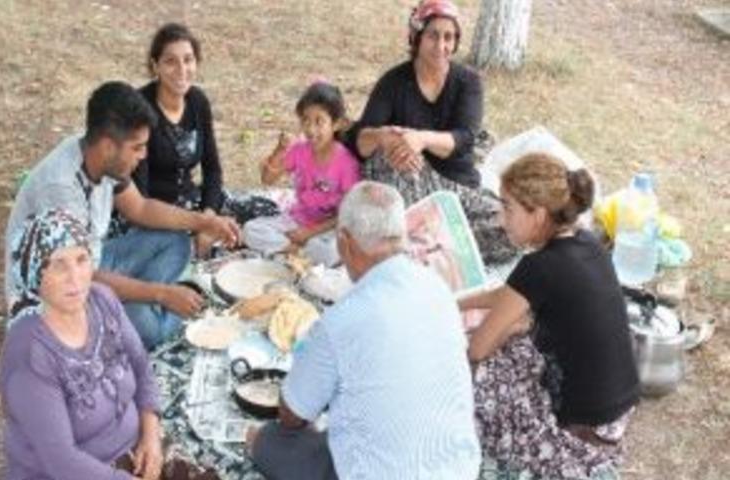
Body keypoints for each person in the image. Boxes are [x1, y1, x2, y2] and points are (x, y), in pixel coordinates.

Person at [248, 181, 480, 480]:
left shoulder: (341, 320)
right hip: (459, 469)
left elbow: (292, 415)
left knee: (267, 441)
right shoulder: (438, 288)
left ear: (344, 241)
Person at [4, 81, 240, 350]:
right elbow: (82, 279)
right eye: (137, 147)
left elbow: (139, 208)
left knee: (177, 242)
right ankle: (145, 310)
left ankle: (137, 303)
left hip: (92, 261)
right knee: (147, 330)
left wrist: (205, 221)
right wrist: (160, 294)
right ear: (108, 146)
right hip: (58, 299)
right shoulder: (61, 190)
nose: (144, 155)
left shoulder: (96, 155)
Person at [458, 153, 640, 478]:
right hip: (618, 411)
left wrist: (504, 328)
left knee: (485, 368)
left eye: (508, 208)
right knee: (517, 338)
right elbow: (509, 295)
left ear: (539, 215)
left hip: (582, 427)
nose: (501, 219)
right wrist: (458, 302)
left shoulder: (538, 268)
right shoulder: (588, 242)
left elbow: (478, 349)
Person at [345, 0, 514, 264]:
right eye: (433, 35)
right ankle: (426, 242)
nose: (441, 45)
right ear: (417, 37)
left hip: (455, 184)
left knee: (511, 231)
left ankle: (431, 244)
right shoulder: (394, 82)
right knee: (390, 153)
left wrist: (421, 139)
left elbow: (465, 140)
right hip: (407, 182)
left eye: (449, 37)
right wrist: (383, 137)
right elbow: (358, 142)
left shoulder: (467, 82)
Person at [0, 209, 163, 480]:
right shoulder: (30, 352)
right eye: (59, 265)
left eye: (81, 259)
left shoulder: (102, 301)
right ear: (35, 273)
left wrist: (151, 435)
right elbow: (62, 462)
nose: (75, 277)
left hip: (130, 457)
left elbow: (142, 366)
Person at [125, 23, 226, 257]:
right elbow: (140, 196)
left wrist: (208, 219)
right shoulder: (140, 108)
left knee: (260, 213)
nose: (182, 70)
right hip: (153, 213)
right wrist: (199, 224)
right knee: (173, 253)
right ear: (155, 66)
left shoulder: (198, 101)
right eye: (171, 61)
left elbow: (212, 169)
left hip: (193, 204)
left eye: (188, 60)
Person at [242, 81, 361, 267]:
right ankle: (296, 253)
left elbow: (348, 213)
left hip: (328, 227)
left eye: (319, 121)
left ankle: (290, 252)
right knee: (251, 229)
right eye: (306, 120)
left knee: (328, 251)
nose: (311, 129)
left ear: (336, 124)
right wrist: (280, 150)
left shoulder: (346, 163)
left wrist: (309, 233)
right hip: (297, 220)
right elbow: (267, 179)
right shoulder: (299, 150)